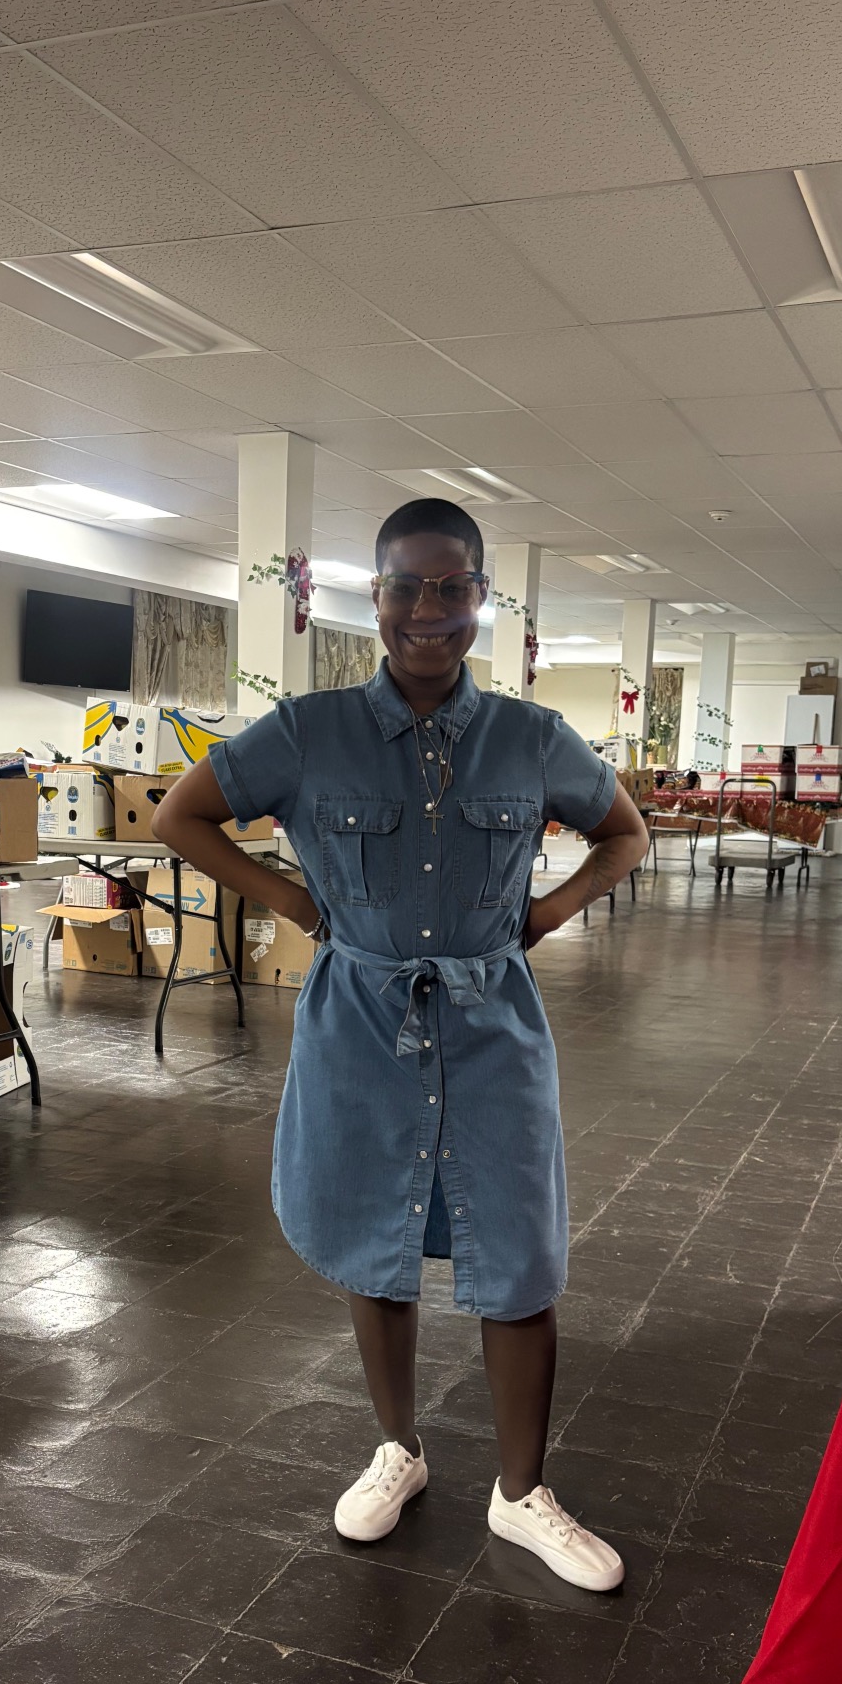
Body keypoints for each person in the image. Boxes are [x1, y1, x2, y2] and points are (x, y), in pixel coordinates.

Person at [154, 499, 649, 1591]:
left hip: (493, 1025)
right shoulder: (306, 730)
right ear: (374, 597)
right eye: (406, 586)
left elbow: (625, 832)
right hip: (360, 1023)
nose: (430, 609)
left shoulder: (532, 737)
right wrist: (290, 897)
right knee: (374, 1237)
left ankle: (522, 1494)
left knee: (520, 1255)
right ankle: (398, 1449)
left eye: (453, 586)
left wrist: (548, 913)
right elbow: (178, 816)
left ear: (481, 597)